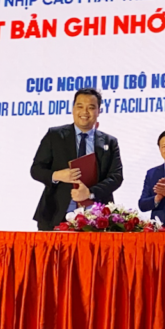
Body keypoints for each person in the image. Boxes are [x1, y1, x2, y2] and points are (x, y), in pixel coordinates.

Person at [30, 88, 123, 231]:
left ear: (99, 111)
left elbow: (116, 177)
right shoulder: (55, 135)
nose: (85, 112)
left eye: (91, 107)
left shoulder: (109, 142)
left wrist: (90, 193)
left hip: (97, 218)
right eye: (80, 106)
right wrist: (57, 175)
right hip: (57, 214)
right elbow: (36, 169)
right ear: (73, 108)